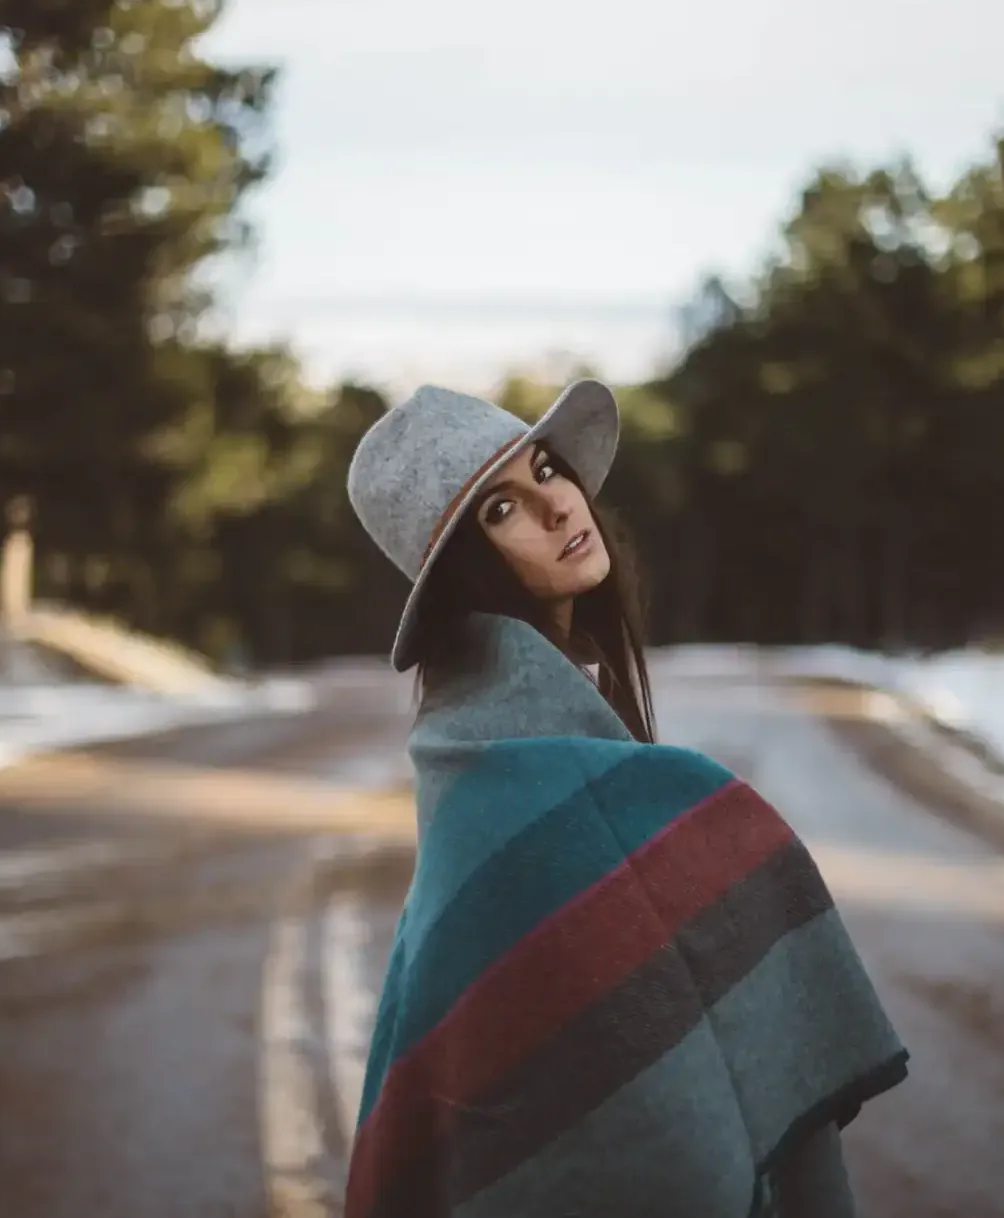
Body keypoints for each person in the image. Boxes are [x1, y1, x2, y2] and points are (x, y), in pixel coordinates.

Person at [344, 379, 909, 1218]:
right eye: (500, 511)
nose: (556, 505)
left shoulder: (513, 744)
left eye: (545, 469)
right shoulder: (495, 785)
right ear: (463, 570)